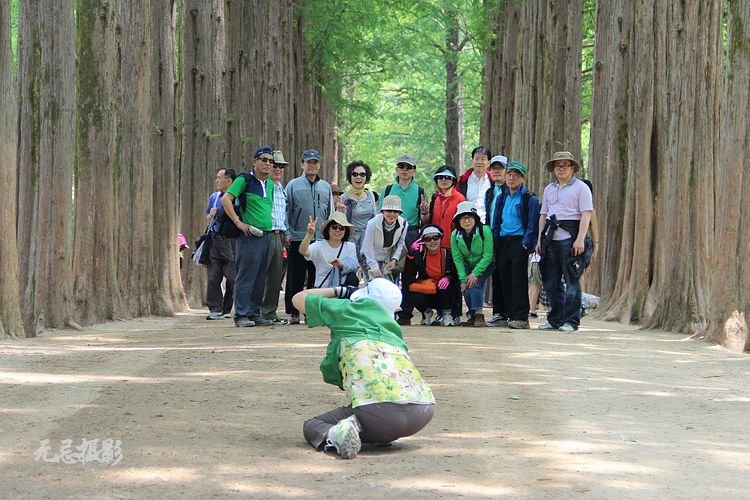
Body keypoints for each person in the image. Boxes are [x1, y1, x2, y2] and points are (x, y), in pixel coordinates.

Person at [293, 278, 436, 459]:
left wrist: (340, 291)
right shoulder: (394, 331)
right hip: (422, 412)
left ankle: (337, 434)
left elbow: (298, 298)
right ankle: (379, 432)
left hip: (380, 411)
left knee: (313, 425)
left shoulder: (349, 311)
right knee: (380, 415)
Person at [535, 151, 594, 333]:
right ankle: (555, 319)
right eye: (557, 166)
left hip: (571, 238)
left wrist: (580, 239)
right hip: (551, 238)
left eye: (565, 165)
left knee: (572, 280)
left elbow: (586, 214)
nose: (561, 169)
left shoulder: (581, 188)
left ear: (572, 168)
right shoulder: (549, 189)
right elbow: (543, 214)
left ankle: (571, 321)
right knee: (551, 282)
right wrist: (539, 239)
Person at [221, 146, 275, 328]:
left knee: (261, 276)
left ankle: (254, 312)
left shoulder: (270, 184)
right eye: (264, 159)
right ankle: (242, 314)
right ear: (255, 161)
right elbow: (226, 199)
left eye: (271, 161)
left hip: (267, 235)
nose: (268, 163)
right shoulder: (244, 179)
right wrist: (238, 223)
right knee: (246, 275)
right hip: (249, 236)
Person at [285, 149, 335, 324]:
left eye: (315, 162)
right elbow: (286, 209)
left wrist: (329, 235)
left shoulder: (325, 187)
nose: (312, 165)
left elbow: (330, 212)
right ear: (302, 164)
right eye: (308, 162)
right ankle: (293, 311)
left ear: (319, 165)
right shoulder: (293, 185)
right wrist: (288, 232)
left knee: (316, 276)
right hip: (299, 236)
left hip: (320, 239)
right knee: (295, 276)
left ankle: (311, 311)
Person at [491, 161, 540, 329]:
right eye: (509, 175)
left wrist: (528, 243)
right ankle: (504, 314)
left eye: (516, 175)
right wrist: (495, 239)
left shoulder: (529, 198)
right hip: (503, 241)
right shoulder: (501, 197)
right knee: (502, 277)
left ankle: (520, 317)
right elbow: (497, 219)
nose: (512, 178)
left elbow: (533, 223)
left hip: (519, 241)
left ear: (523, 178)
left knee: (518, 279)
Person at [399, 224, 458, 326]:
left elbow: (456, 275)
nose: (432, 241)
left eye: (436, 237)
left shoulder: (448, 254)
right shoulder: (420, 256)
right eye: (428, 239)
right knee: (412, 290)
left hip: (443, 292)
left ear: (441, 238)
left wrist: (448, 277)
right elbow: (408, 277)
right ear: (423, 241)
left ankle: (447, 313)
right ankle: (426, 312)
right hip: (428, 290)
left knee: (448, 286)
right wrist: (411, 255)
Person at [450, 202, 494, 327]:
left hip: (485, 263)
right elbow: (457, 258)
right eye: (463, 218)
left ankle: (479, 315)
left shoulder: (485, 230)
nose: (467, 221)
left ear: (475, 218)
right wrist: (463, 278)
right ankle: (472, 315)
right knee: (466, 287)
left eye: (470, 217)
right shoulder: (455, 235)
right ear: (458, 220)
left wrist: (475, 273)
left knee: (475, 284)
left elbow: (488, 255)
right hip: (467, 264)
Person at [260, 151, 290, 325]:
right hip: (265, 234)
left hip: (279, 235)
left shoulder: (282, 188)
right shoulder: (264, 186)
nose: (278, 169)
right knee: (261, 274)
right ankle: (256, 311)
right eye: (275, 165)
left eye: (281, 166)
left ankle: (269, 312)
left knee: (275, 276)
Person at [205, 168, 237, 320]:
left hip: (231, 241)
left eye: (220, 178)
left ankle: (228, 307)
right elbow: (208, 216)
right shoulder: (214, 196)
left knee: (232, 276)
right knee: (213, 276)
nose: (217, 181)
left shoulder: (237, 197)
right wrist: (210, 215)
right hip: (214, 239)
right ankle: (215, 308)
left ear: (229, 181)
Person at [300, 212, 359, 288]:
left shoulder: (350, 246)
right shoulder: (319, 245)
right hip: (323, 288)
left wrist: (341, 265)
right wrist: (309, 235)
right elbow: (303, 251)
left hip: (342, 288)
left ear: (345, 231)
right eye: (334, 227)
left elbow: (354, 266)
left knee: (352, 278)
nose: (338, 230)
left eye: (341, 228)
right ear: (328, 229)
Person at [484, 155, 509, 326]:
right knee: (497, 275)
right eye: (493, 168)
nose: (497, 171)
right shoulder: (490, 191)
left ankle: (512, 312)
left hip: (509, 237)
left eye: (500, 168)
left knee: (510, 276)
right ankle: (499, 312)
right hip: (492, 237)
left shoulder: (511, 190)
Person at [361, 195, 408, 281]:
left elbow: (401, 243)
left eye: (396, 211)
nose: (392, 214)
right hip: (369, 257)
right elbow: (367, 246)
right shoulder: (372, 223)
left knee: (388, 285)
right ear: (383, 211)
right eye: (388, 211)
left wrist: (395, 259)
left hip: (387, 258)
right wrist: (374, 267)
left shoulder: (404, 224)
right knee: (373, 284)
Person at [379, 154, 425, 239]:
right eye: (401, 166)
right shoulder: (387, 190)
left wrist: (425, 212)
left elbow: (424, 220)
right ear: (396, 169)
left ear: (414, 171)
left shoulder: (420, 192)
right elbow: (380, 213)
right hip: (389, 231)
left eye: (408, 167)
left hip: (411, 233)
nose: (404, 170)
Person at [337, 160, 377, 257]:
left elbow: (374, 217)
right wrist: (340, 213)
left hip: (369, 239)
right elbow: (340, 223)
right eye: (355, 174)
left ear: (366, 177)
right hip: (351, 240)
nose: (358, 177)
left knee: (367, 269)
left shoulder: (370, 194)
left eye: (362, 174)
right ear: (350, 177)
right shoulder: (344, 198)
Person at [419, 166, 465, 250]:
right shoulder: (435, 197)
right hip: (434, 246)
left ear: (453, 180)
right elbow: (427, 222)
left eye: (447, 177)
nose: (443, 180)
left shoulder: (460, 199)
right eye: (440, 177)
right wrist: (424, 212)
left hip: (453, 247)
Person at [457, 146, 494, 223]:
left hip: (487, 225)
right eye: (476, 159)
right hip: (467, 225)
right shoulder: (462, 181)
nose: (479, 162)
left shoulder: (493, 182)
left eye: (483, 159)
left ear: (488, 163)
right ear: (472, 161)